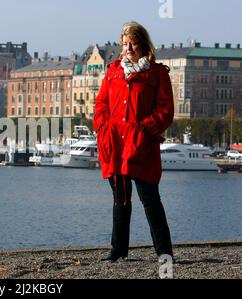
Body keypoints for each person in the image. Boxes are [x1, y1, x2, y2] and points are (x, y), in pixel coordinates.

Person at [93, 21, 174, 262]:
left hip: (141, 145)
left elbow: (165, 109)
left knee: (150, 199)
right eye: (125, 44)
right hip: (115, 145)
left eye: (133, 43)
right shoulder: (113, 71)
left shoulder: (157, 73)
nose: (128, 48)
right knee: (121, 199)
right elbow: (101, 103)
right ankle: (118, 250)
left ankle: (164, 252)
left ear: (143, 44)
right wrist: (102, 127)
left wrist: (144, 129)